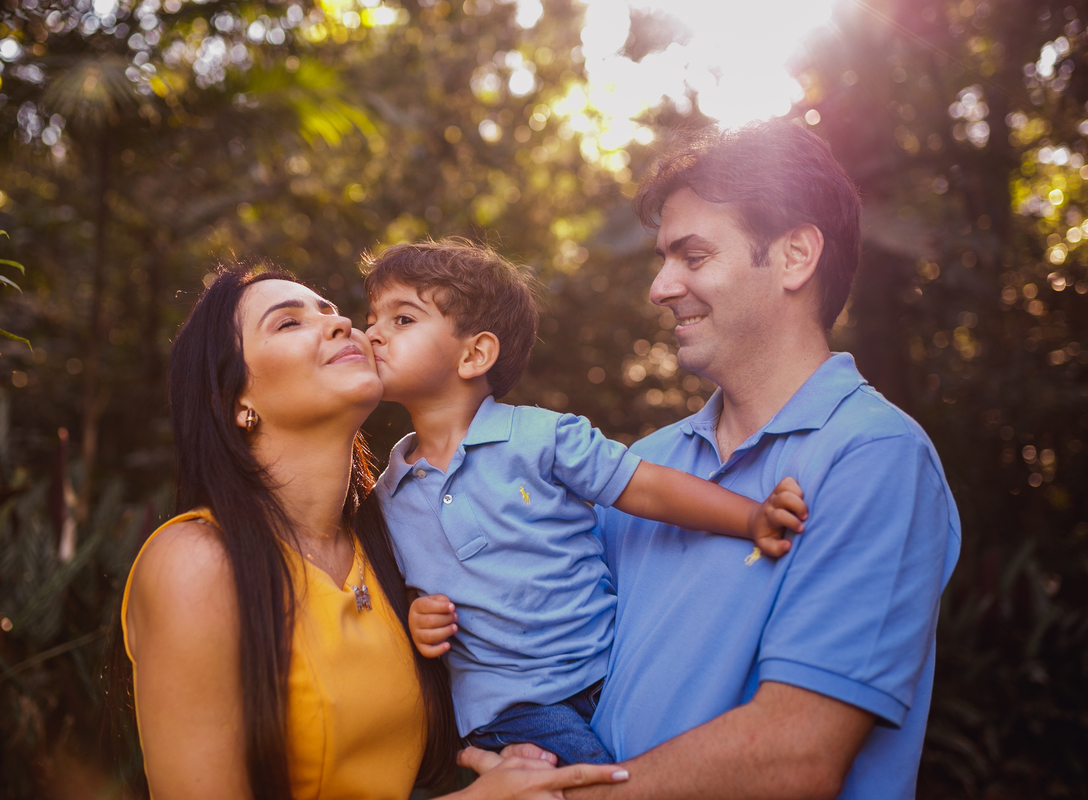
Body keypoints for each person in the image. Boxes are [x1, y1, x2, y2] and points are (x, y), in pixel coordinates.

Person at [110, 264, 632, 798]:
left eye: (333, 312)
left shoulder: (397, 547)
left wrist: (517, 753)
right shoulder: (197, 562)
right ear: (236, 401)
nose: (342, 325)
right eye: (288, 323)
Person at [565, 121, 962, 800]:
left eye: (693, 256)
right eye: (663, 259)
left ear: (795, 256)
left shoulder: (875, 456)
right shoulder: (644, 467)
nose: (660, 287)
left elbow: (795, 754)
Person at [362, 239, 809, 767]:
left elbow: (647, 487)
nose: (372, 334)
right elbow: (408, 593)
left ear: (475, 354)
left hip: (611, 672)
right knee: (605, 786)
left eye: (402, 319)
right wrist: (417, 617)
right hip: (513, 708)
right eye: (371, 320)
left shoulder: (544, 438)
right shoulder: (386, 499)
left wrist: (751, 517)